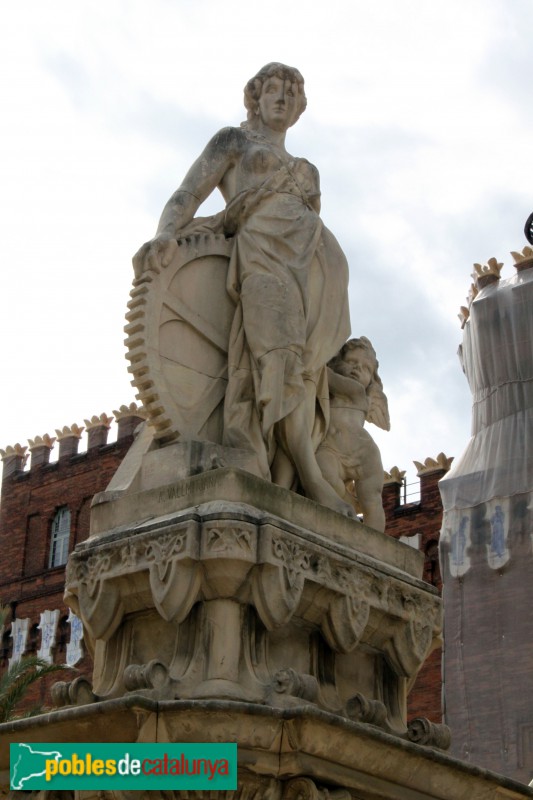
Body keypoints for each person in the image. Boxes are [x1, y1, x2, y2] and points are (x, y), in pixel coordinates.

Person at [133, 63, 353, 516]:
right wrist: (166, 233)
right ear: (254, 97)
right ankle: (306, 472)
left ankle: (286, 473)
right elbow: (188, 193)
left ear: (300, 109)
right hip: (261, 260)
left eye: (291, 95)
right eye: (273, 91)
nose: (282, 100)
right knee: (278, 359)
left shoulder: (306, 170)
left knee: (304, 371)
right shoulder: (233, 142)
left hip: (311, 274)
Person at [316, 338, 390, 531]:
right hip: (330, 447)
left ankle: (375, 541)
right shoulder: (325, 393)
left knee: (372, 499)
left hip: (363, 452)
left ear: (372, 379)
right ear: (337, 362)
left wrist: (312, 358)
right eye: (351, 362)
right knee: (324, 475)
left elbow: (324, 375)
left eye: (366, 368)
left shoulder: (356, 391)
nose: (358, 369)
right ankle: (347, 502)